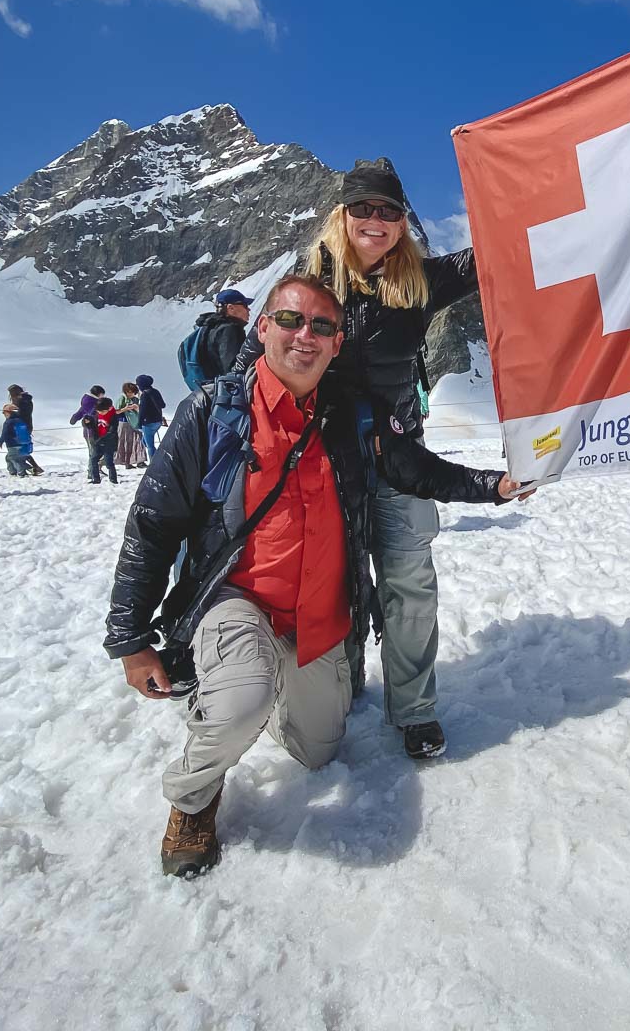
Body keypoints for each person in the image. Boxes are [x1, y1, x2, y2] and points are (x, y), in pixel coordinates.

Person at [104, 275, 525, 877]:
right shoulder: (214, 412)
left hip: (317, 617)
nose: (306, 336)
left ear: (335, 346)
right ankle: (195, 796)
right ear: (263, 329)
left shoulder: (351, 417)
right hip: (239, 600)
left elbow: (415, 469)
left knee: (317, 749)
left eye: (322, 327)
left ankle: (251, 686)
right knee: (243, 697)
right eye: (292, 321)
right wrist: (130, 640)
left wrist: (496, 486)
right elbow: (154, 523)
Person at [235, 160, 483, 759]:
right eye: (363, 209)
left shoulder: (419, 282)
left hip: (402, 457)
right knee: (337, 585)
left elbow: (494, 255)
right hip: (324, 466)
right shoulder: (309, 286)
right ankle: (340, 687)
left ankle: (415, 707)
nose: (376, 220)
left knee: (409, 585)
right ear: (341, 215)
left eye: (389, 211)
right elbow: (252, 363)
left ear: (403, 222)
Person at [185, 289, 252, 382]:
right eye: (245, 305)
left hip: (214, 390)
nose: (249, 309)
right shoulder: (229, 330)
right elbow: (233, 370)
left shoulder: (211, 328)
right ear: (231, 308)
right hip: (229, 392)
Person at [7, 385, 43, 475]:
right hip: (24, 427)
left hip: (21, 428)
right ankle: (33, 467)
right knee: (22, 451)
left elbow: (23, 414)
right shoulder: (26, 400)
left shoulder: (23, 402)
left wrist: (13, 413)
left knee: (17, 453)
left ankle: (30, 468)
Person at [85, 396, 122, 484]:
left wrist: (101, 439)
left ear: (109, 408)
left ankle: (113, 479)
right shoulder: (96, 415)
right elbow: (92, 426)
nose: (100, 413)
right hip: (97, 442)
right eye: (98, 411)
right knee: (94, 460)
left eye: (102, 411)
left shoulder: (113, 416)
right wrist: (87, 423)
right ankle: (96, 479)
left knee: (109, 462)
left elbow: (112, 432)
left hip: (108, 443)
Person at [136, 374, 168, 460]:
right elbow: (163, 405)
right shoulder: (156, 391)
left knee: (150, 446)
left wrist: (139, 423)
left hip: (148, 423)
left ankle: (154, 464)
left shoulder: (144, 394)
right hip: (158, 421)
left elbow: (142, 410)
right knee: (145, 441)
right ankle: (158, 459)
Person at [116, 381, 147, 469]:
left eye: (132, 392)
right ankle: (127, 462)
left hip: (135, 422)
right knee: (126, 442)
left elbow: (140, 411)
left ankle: (140, 461)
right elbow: (116, 411)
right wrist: (125, 409)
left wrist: (136, 408)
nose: (131, 394)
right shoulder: (121, 398)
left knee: (138, 441)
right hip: (124, 422)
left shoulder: (136, 399)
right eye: (129, 392)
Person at [0, 402, 34, 476]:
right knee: (10, 458)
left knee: (13, 458)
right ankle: (13, 472)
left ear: (9, 413)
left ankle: (23, 471)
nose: (4, 414)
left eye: (4, 412)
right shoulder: (21, 420)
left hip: (13, 444)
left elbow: (5, 433)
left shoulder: (9, 422)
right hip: (24, 444)